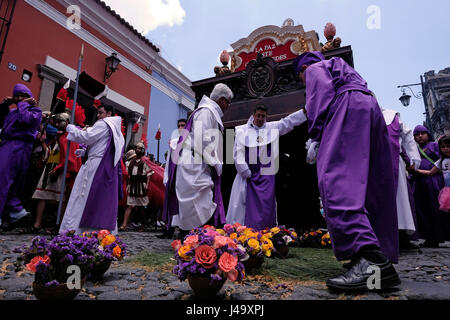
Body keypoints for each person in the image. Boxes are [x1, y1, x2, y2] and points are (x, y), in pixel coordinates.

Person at [294, 51, 400, 292]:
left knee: (338, 179)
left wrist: (317, 135)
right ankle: (374, 259)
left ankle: (371, 259)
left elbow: (320, 97)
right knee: (368, 183)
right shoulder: (343, 69)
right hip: (368, 105)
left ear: (302, 70)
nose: (304, 82)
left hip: (346, 107)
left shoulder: (314, 68)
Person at [162, 83, 232, 238]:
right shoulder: (206, 112)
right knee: (199, 203)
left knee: (201, 203)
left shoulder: (208, 112)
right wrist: (216, 163)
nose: (228, 106)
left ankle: (196, 239)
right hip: (193, 164)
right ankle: (194, 240)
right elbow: (203, 139)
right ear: (221, 100)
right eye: (228, 102)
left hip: (198, 163)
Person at [226, 104, 307, 229]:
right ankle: (242, 234)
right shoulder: (242, 130)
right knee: (241, 205)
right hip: (247, 177)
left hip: (265, 177)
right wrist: (246, 172)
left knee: (266, 206)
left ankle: (265, 233)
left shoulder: (271, 128)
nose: (260, 118)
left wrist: (303, 113)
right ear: (253, 115)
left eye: (263, 116)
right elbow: (237, 153)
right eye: (258, 115)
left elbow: (287, 123)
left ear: (266, 117)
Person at [59, 104, 124, 235]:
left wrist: (71, 127)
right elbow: (102, 147)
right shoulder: (115, 130)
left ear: (109, 113)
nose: (98, 116)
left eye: (101, 112)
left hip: (95, 166)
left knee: (82, 196)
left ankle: (76, 229)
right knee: (93, 198)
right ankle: (94, 230)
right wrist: (86, 153)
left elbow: (86, 137)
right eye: (98, 113)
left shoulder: (103, 124)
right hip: (102, 164)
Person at [21, 113, 81, 234]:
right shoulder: (58, 137)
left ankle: (60, 225)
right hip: (50, 168)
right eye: (56, 122)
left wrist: (58, 168)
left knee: (61, 199)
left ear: (67, 122)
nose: (57, 124)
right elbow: (51, 152)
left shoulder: (70, 138)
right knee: (41, 196)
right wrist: (43, 143)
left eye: (60, 122)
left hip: (61, 171)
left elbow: (70, 159)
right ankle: (37, 224)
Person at [0, 84, 42, 230]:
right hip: (9, 146)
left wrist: (23, 104)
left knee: (14, 182)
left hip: (21, 148)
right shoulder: (12, 111)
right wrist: (5, 105)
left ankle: (14, 211)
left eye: (23, 96)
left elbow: (25, 120)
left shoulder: (36, 112)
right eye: (17, 96)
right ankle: (14, 212)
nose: (19, 98)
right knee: (4, 179)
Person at [382, 108, 421, 250]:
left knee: (400, 200)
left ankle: (402, 235)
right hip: (374, 162)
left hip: (393, 161)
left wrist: (414, 159)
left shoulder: (391, 116)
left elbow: (407, 137)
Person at [409, 126, 447, 247]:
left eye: (422, 133)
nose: (420, 136)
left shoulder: (435, 145)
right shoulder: (412, 149)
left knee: (435, 208)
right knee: (421, 209)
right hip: (418, 182)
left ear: (427, 134)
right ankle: (428, 237)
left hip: (433, 181)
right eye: (417, 134)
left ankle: (438, 236)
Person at [120, 143, 154, 231]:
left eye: (140, 148)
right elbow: (128, 174)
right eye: (137, 148)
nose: (138, 149)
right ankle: (124, 225)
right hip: (132, 185)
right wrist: (128, 183)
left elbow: (148, 174)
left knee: (142, 206)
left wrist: (147, 184)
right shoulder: (130, 162)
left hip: (141, 185)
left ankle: (143, 225)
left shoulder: (145, 162)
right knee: (130, 205)